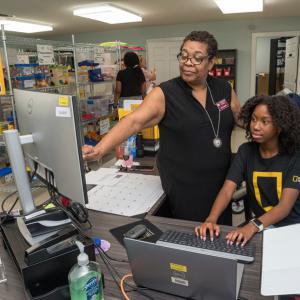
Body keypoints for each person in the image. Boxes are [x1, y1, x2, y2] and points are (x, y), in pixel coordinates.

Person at [83, 30, 241, 223]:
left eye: (197, 58)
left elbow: (240, 117)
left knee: (220, 234)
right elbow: (133, 121)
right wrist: (99, 149)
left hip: (221, 181)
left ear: (211, 62)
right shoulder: (165, 93)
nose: (188, 62)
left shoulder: (224, 89)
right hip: (184, 187)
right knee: (190, 237)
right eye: (184, 55)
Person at [196, 95, 300, 245]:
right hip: (262, 227)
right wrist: (211, 219)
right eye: (253, 119)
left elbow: (284, 207)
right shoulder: (245, 151)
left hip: (291, 229)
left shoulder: (295, 157)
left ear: (280, 126)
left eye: (265, 122)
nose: (256, 126)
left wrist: (251, 226)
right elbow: (227, 190)